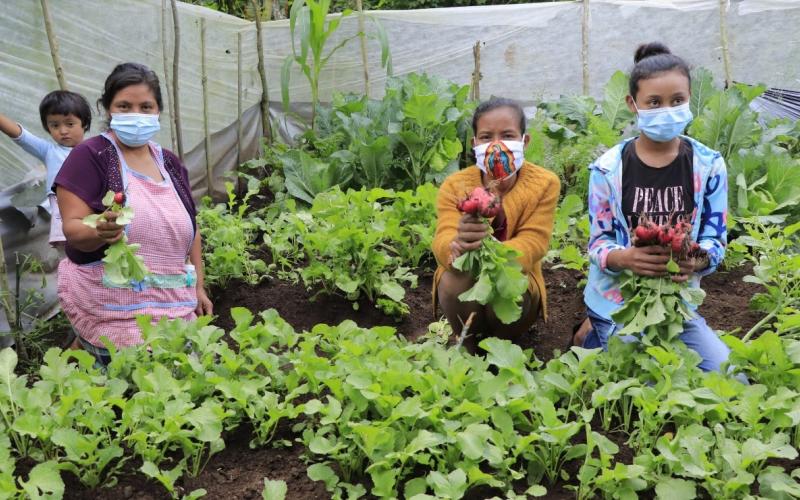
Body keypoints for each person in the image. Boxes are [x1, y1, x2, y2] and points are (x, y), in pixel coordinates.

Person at [581, 42, 730, 372]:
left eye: (677, 100)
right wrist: (626, 258)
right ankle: (593, 329)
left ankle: (600, 337)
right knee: (641, 381)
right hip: (618, 302)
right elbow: (598, 245)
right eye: (654, 102)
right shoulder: (608, 170)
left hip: (678, 302)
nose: (667, 109)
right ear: (633, 104)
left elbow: (716, 241)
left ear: (691, 99)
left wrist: (697, 259)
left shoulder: (709, 166)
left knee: (729, 378)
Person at [54, 63, 213, 365]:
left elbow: (190, 229)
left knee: (188, 375)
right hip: (112, 308)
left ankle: (73, 360)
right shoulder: (91, 156)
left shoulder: (169, 162)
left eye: (146, 106)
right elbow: (73, 230)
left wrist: (198, 287)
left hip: (172, 301)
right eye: (124, 106)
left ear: (158, 111)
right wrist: (99, 231)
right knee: (132, 386)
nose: (136, 114)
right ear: (108, 108)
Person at [432, 98, 560, 352]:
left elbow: (535, 242)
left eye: (508, 135)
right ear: (474, 144)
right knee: (453, 277)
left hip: (516, 282)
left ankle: (504, 345)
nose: (496, 145)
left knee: (508, 284)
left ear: (524, 141)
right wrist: (456, 246)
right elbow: (443, 235)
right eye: (486, 136)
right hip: (465, 289)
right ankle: (470, 345)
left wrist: (493, 254)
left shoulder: (545, 183)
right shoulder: (455, 185)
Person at [0, 90, 92, 246]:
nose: (63, 131)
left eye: (69, 124)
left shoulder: (96, 150)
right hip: (63, 213)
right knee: (69, 253)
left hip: (92, 209)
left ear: (84, 123)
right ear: (48, 128)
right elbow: (19, 135)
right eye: (55, 125)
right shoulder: (50, 151)